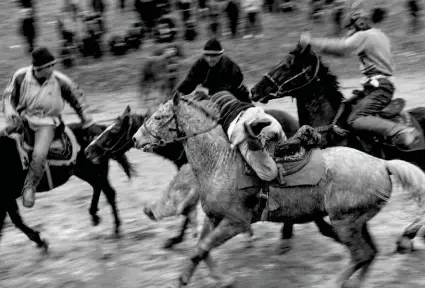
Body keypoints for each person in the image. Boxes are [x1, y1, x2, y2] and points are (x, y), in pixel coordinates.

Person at [300, 10, 421, 150]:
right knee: (342, 108)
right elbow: (343, 50)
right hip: (377, 85)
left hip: (379, 87)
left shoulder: (365, 36)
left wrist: (311, 41)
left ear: (360, 23)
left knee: (355, 119)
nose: (348, 34)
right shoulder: (378, 34)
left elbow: (343, 47)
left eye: (350, 29)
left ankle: (400, 131)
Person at [2, 46, 98, 208]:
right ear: (39, 68)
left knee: (39, 153)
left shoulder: (60, 80)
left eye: (53, 65)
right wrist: (12, 116)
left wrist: (88, 122)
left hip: (47, 123)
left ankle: (30, 187)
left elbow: (78, 99)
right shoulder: (20, 77)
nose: (53, 68)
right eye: (50, 66)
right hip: (23, 119)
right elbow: (7, 97)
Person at [200, 90, 286, 181]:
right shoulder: (223, 93)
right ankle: (256, 129)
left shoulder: (209, 105)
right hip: (261, 115)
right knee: (283, 145)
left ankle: (253, 139)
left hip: (239, 128)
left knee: (269, 174)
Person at [176, 38, 251, 103]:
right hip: (213, 97)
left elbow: (231, 88)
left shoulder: (229, 66)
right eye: (207, 56)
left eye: (213, 56)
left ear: (220, 55)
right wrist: (179, 93)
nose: (209, 59)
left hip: (237, 98)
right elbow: (190, 81)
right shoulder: (200, 63)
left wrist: (208, 93)